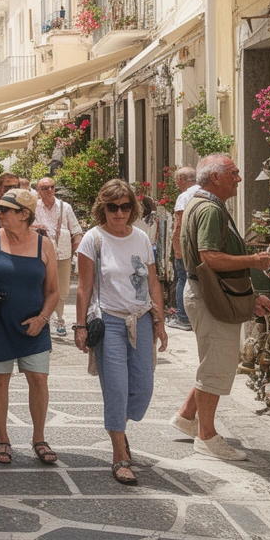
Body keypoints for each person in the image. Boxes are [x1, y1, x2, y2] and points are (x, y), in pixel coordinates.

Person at [172, 154, 270, 460]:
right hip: (209, 296)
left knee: (213, 360)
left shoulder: (199, 202)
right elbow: (211, 258)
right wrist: (255, 261)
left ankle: (186, 417)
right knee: (217, 365)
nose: (239, 178)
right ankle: (207, 437)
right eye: (233, 173)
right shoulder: (209, 209)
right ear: (215, 177)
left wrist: (250, 296)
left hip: (209, 292)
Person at [74, 180, 168, 486]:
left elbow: (154, 282)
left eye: (125, 206)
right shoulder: (93, 239)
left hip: (140, 319)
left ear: (132, 208)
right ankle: (119, 454)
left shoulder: (141, 238)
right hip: (109, 321)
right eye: (112, 207)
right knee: (115, 387)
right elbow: (84, 288)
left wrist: (159, 321)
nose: (119, 212)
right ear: (103, 208)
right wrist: (80, 326)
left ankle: (118, 427)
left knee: (142, 389)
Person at [0, 188, 60, 466]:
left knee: (38, 379)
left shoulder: (43, 244)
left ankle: (39, 438)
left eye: (5, 210)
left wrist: (43, 319)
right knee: (0, 381)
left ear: (24, 214)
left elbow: (53, 291)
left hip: (35, 324)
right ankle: (2, 438)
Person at [33, 177, 83, 338]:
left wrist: (78, 246)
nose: (49, 191)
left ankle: (59, 319)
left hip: (62, 254)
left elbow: (76, 230)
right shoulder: (34, 207)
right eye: (45, 188)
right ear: (38, 191)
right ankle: (44, 317)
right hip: (40, 254)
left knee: (61, 289)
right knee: (41, 286)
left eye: (52, 187)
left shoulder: (65, 207)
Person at [168, 167, 199, 331]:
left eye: (176, 180)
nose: (175, 184)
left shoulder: (184, 196)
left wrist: (177, 249)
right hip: (201, 246)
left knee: (182, 278)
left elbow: (179, 225)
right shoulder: (205, 191)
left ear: (181, 179)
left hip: (186, 246)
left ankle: (183, 318)